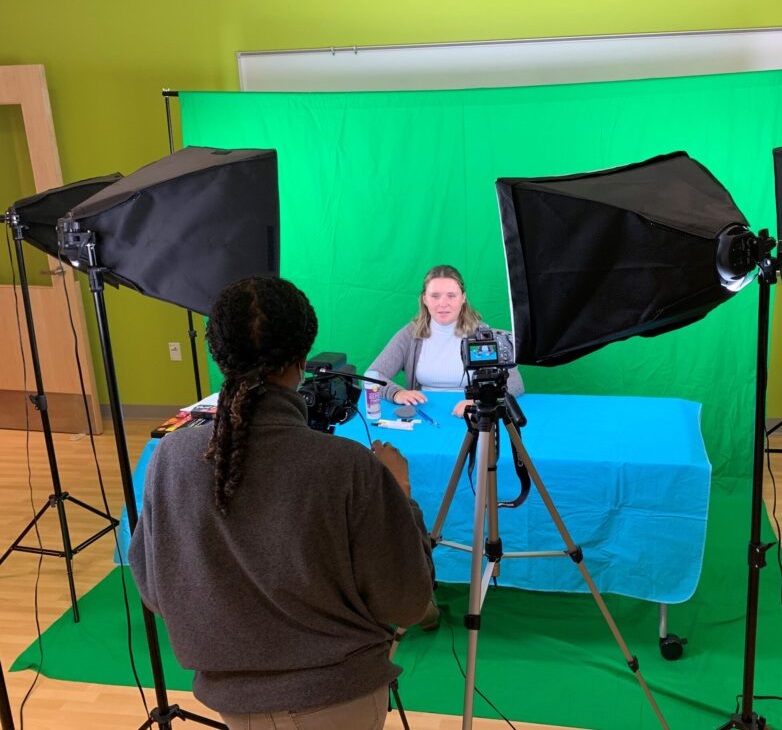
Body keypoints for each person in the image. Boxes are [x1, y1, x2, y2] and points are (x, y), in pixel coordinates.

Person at [128, 276, 434, 730]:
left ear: (220, 357)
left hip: (232, 701)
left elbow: (154, 591)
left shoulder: (170, 456)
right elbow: (408, 604)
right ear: (302, 360)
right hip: (340, 696)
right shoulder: (348, 467)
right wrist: (401, 498)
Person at [368, 264, 525, 418]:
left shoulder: (482, 334)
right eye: (435, 296)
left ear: (463, 298)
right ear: (424, 299)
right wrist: (396, 393)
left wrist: (480, 401)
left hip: (473, 415)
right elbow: (372, 375)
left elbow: (516, 384)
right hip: (424, 415)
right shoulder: (411, 334)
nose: (443, 303)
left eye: (451, 295)